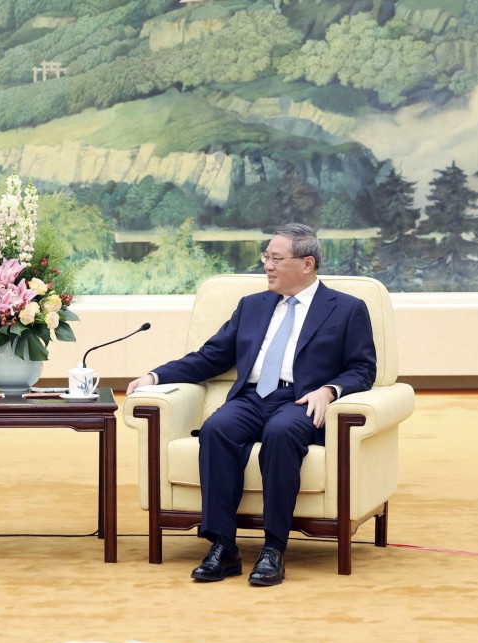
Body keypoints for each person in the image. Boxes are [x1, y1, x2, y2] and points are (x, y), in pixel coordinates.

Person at [127, 223, 376, 586]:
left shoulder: (347, 309)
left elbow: (363, 368)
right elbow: (211, 357)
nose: (267, 266)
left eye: (276, 258)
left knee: (280, 434)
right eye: (266, 257)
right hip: (252, 397)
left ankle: (274, 548)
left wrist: (330, 390)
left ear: (307, 263)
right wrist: (155, 376)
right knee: (217, 429)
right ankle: (223, 546)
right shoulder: (252, 306)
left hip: (301, 399)